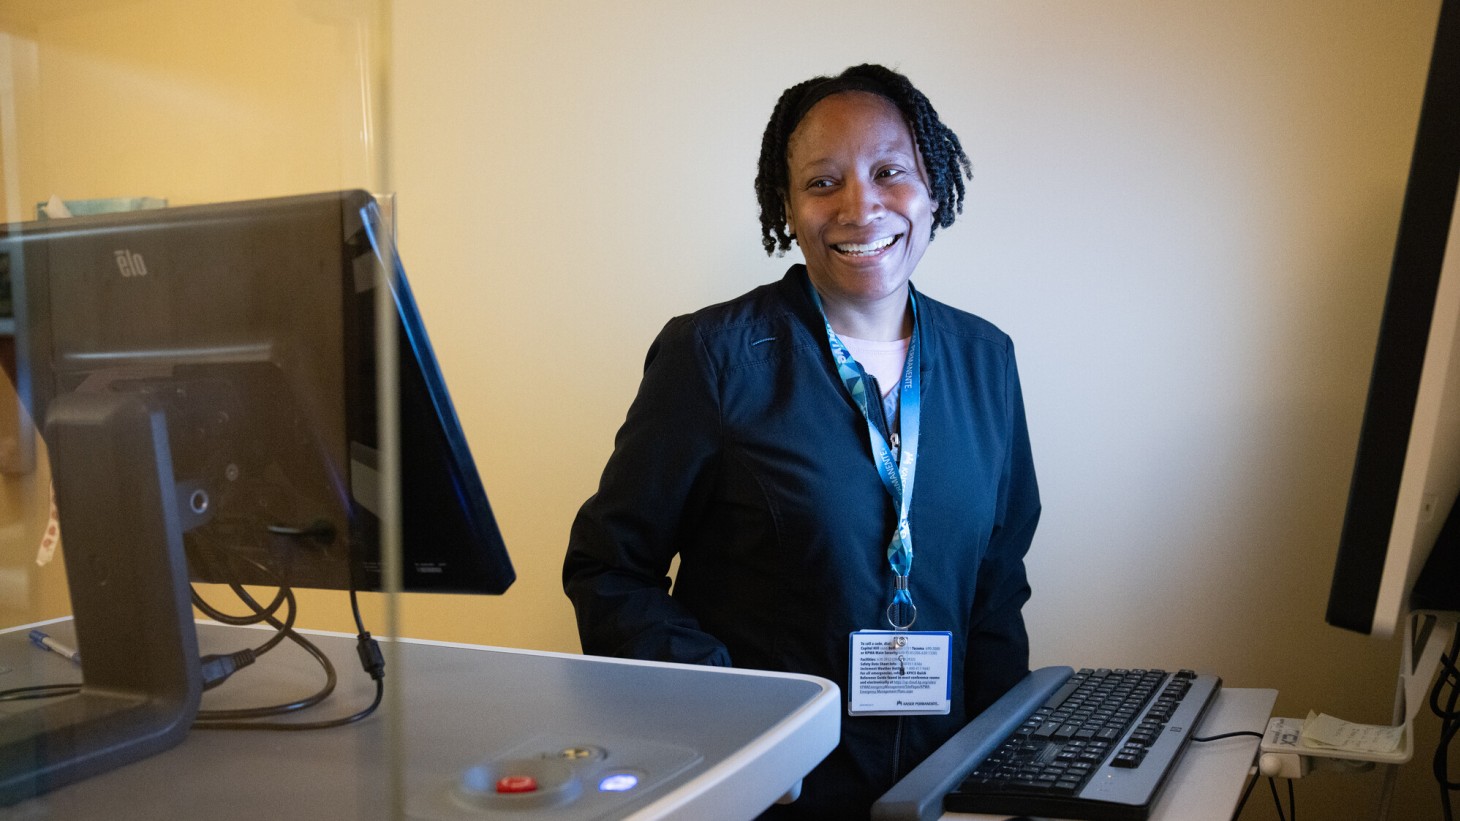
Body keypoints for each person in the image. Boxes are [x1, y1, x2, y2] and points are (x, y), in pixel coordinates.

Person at [562, 63, 1041, 819]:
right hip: (771, 791)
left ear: (934, 189)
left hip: (936, 792)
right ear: (786, 208)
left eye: (890, 172)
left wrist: (993, 772)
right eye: (823, 183)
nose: (860, 205)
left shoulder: (987, 359)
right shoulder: (714, 356)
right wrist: (737, 710)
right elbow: (608, 569)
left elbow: (996, 584)